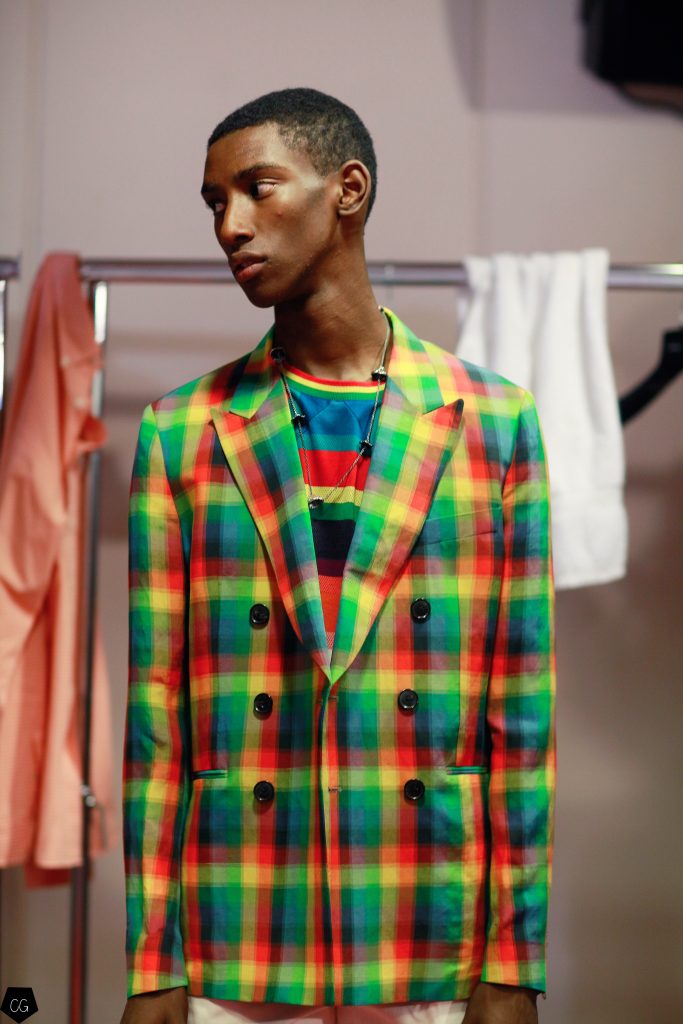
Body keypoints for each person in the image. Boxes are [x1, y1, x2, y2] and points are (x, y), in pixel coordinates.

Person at [119, 88, 556, 1024]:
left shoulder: (494, 420)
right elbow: (155, 721)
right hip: (240, 927)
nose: (230, 226)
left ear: (346, 190)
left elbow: (521, 719)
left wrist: (513, 962)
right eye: (215, 203)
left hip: (426, 922)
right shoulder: (181, 430)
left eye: (257, 188)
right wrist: (152, 964)